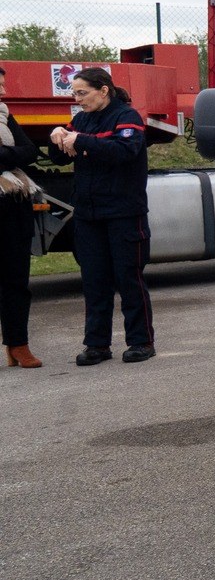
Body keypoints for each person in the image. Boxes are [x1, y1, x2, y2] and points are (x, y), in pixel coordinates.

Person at [47, 66, 154, 365]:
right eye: (74, 94)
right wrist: (56, 136)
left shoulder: (126, 117)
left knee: (128, 278)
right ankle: (97, 345)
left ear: (103, 90)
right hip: (88, 215)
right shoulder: (81, 120)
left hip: (123, 213)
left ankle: (141, 341)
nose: (78, 99)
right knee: (94, 281)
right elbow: (59, 156)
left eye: (82, 93)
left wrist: (80, 141)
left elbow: (125, 151)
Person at [0, 65, 43, 368]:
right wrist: (10, 155)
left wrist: (4, 155)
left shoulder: (4, 114)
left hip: (12, 206)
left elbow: (30, 151)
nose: (3, 91)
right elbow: (21, 153)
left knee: (16, 280)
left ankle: (18, 344)